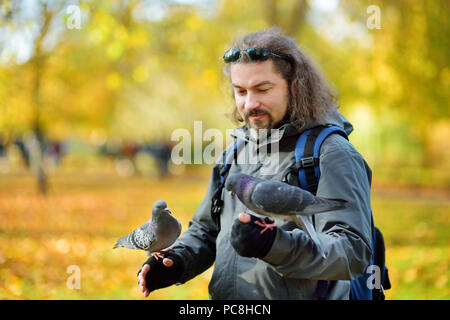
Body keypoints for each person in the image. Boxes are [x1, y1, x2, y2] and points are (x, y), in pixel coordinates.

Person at [137, 28, 373, 300]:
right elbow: (207, 230)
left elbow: (352, 253)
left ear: (295, 87)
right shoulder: (234, 153)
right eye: (240, 91)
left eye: (263, 89)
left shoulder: (331, 153)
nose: (250, 104)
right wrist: (176, 262)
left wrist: (274, 245)